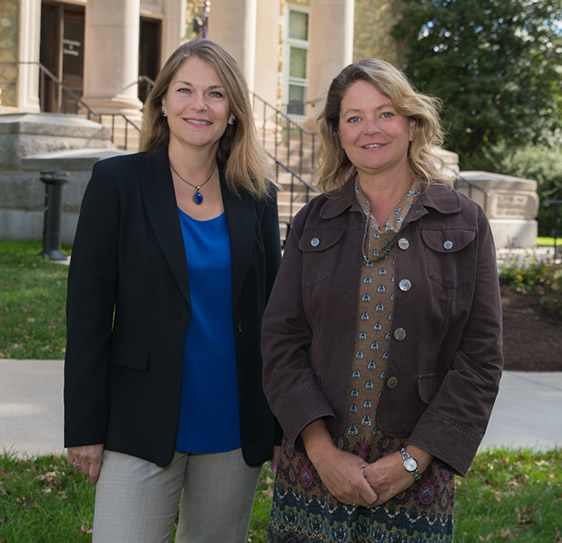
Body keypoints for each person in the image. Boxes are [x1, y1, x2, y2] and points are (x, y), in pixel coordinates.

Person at [261, 58, 503, 542]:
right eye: (354, 118)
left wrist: (413, 461)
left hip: (416, 473)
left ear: (412, 124)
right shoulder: (315, 220)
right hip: (314, 468)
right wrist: (323, 453)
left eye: (385, 113)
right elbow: (281, 341)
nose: (370, 129)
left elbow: (479, 359)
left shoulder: (465, 222)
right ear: (339, 133)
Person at [64, 38, 281, 543]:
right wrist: (85, 427)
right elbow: (88, 315)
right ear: (162, 102)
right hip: (139, 419)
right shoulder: (117, 182)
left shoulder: (257, 195)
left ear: (233, 112)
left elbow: (272, 313)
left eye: (215, 94)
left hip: (232, 420)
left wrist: (276, 423)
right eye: (184, 90)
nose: (198, 105)